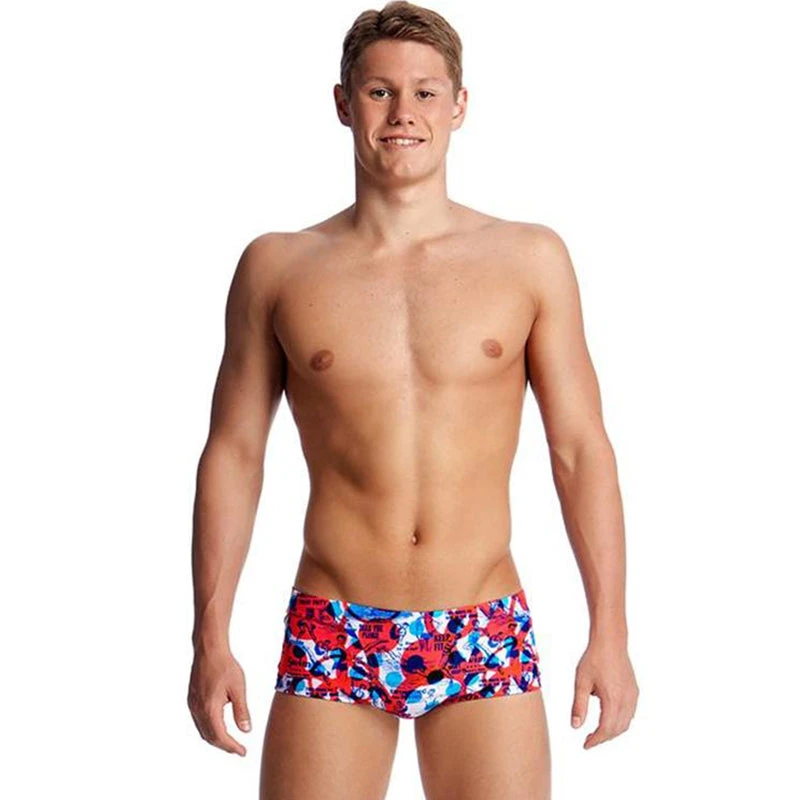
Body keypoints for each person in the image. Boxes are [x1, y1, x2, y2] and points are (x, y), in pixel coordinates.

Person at [187, 2, 639, 797]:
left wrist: (611, 631)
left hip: (482, 619)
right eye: (379, 92)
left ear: (459, 106)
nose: (403, 113)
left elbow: (579, 448)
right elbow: (235, 453)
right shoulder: (278, 267)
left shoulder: (529, 259)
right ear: (343, 103)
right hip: (336, 620)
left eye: (426, 93)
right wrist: (209, 637)